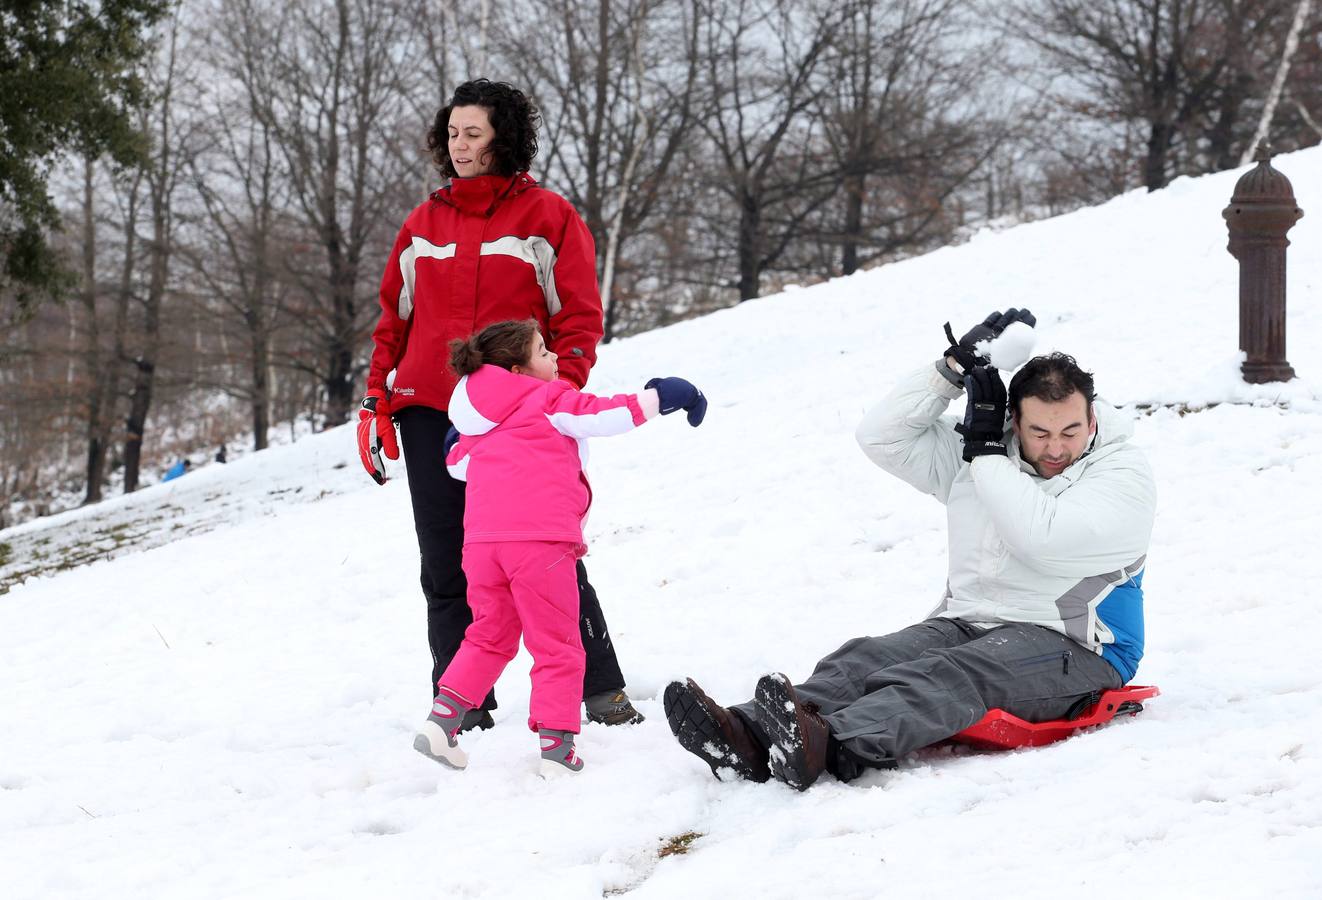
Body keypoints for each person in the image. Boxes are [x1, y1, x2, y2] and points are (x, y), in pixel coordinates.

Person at [664, 310, 1157, 790]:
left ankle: (828, 743)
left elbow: (1042, 540)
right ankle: (747, 735)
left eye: (1071, 431)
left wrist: (985, 453)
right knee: (863, 659)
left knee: (946, 675)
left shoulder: (1121, 474)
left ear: (1091, 417)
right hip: (969, 622)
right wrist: (951, 371)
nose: (1056, 448)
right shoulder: (986, 450)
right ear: (1014, 421)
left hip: (1079, 648)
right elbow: (880, 436)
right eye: (1040, 432)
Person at [357, 79, 645, 730]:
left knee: (541, 552)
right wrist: (377, 394)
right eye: (453, 133)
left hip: (520, 417)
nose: (460, 146)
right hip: (431, 408)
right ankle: (463, 709)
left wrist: (559, 390)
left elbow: (578, 316)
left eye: (474, 134)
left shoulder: (548, 216)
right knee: (445, 563)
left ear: (503, 139)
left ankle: (602, 694)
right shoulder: (424, 221)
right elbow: (392, 318)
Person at [412, 319, 707, 776]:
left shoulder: (475, 421)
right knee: (558, 644)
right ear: (517, 369)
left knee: (489, 636)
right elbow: (607, 414)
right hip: (539, 544)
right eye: (543, 351)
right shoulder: (548, 398)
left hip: (482, 548)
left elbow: (456, 465)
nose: (553, 358)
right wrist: (665, 395)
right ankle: (557, 748)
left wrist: (457, 441)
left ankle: (440, 724)